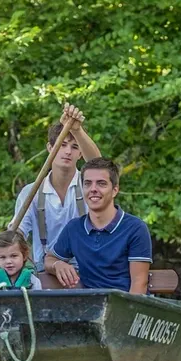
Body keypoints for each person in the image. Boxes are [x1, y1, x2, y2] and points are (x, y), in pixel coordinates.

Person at [13, 103, 101, 271]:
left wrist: (77, 130)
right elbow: (17, 235)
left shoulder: (89, 186)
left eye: (74, 147)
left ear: (80, 153)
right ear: (50, 148)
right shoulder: (31, 192)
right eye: (62, 144)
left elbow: (99, 167)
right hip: (44, 271)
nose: (68, 151)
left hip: (85, 270)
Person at [44, 157, 152, 294]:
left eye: (101, 184)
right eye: (88, 184)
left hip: (125, 306)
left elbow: (139, 284)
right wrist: (57, 264)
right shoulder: (74, 228)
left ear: (114, 190)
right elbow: (50, 259)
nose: (93, 189)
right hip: (90, 308)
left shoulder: (135, 228)